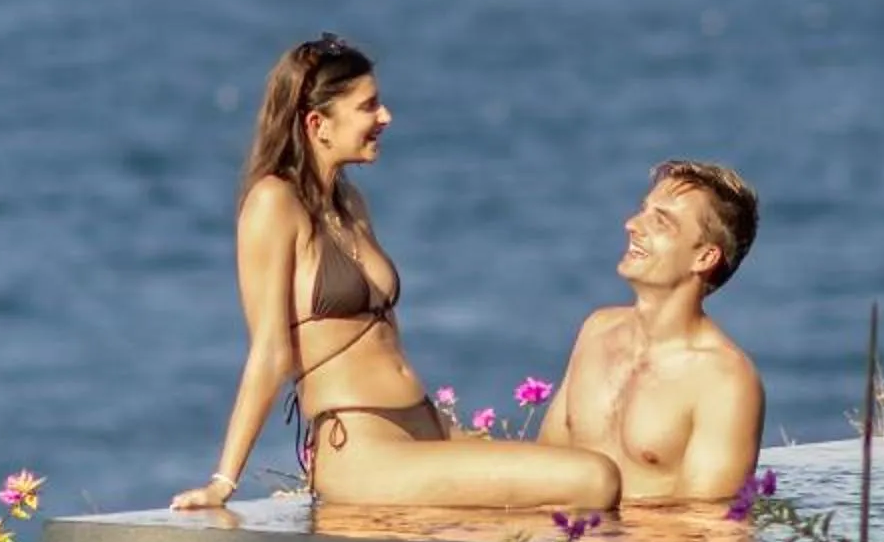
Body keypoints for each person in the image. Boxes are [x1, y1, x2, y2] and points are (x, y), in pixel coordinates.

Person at [173, 35, 622, 513]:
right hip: (363, 451)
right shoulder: (273, 204)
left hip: (423, 429)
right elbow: (270, 352)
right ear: (317, 124)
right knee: (594, 480)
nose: (385, 118)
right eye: (369, 106)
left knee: (599, 472)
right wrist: (223, 481)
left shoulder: (350, 203)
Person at [538, 160, 766, 504]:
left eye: (661, 222)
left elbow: (710, 532)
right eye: (643, 211)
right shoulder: (596, 331)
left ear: (704, 257)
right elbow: (545, 467)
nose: (631, 225)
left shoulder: (725, 380)